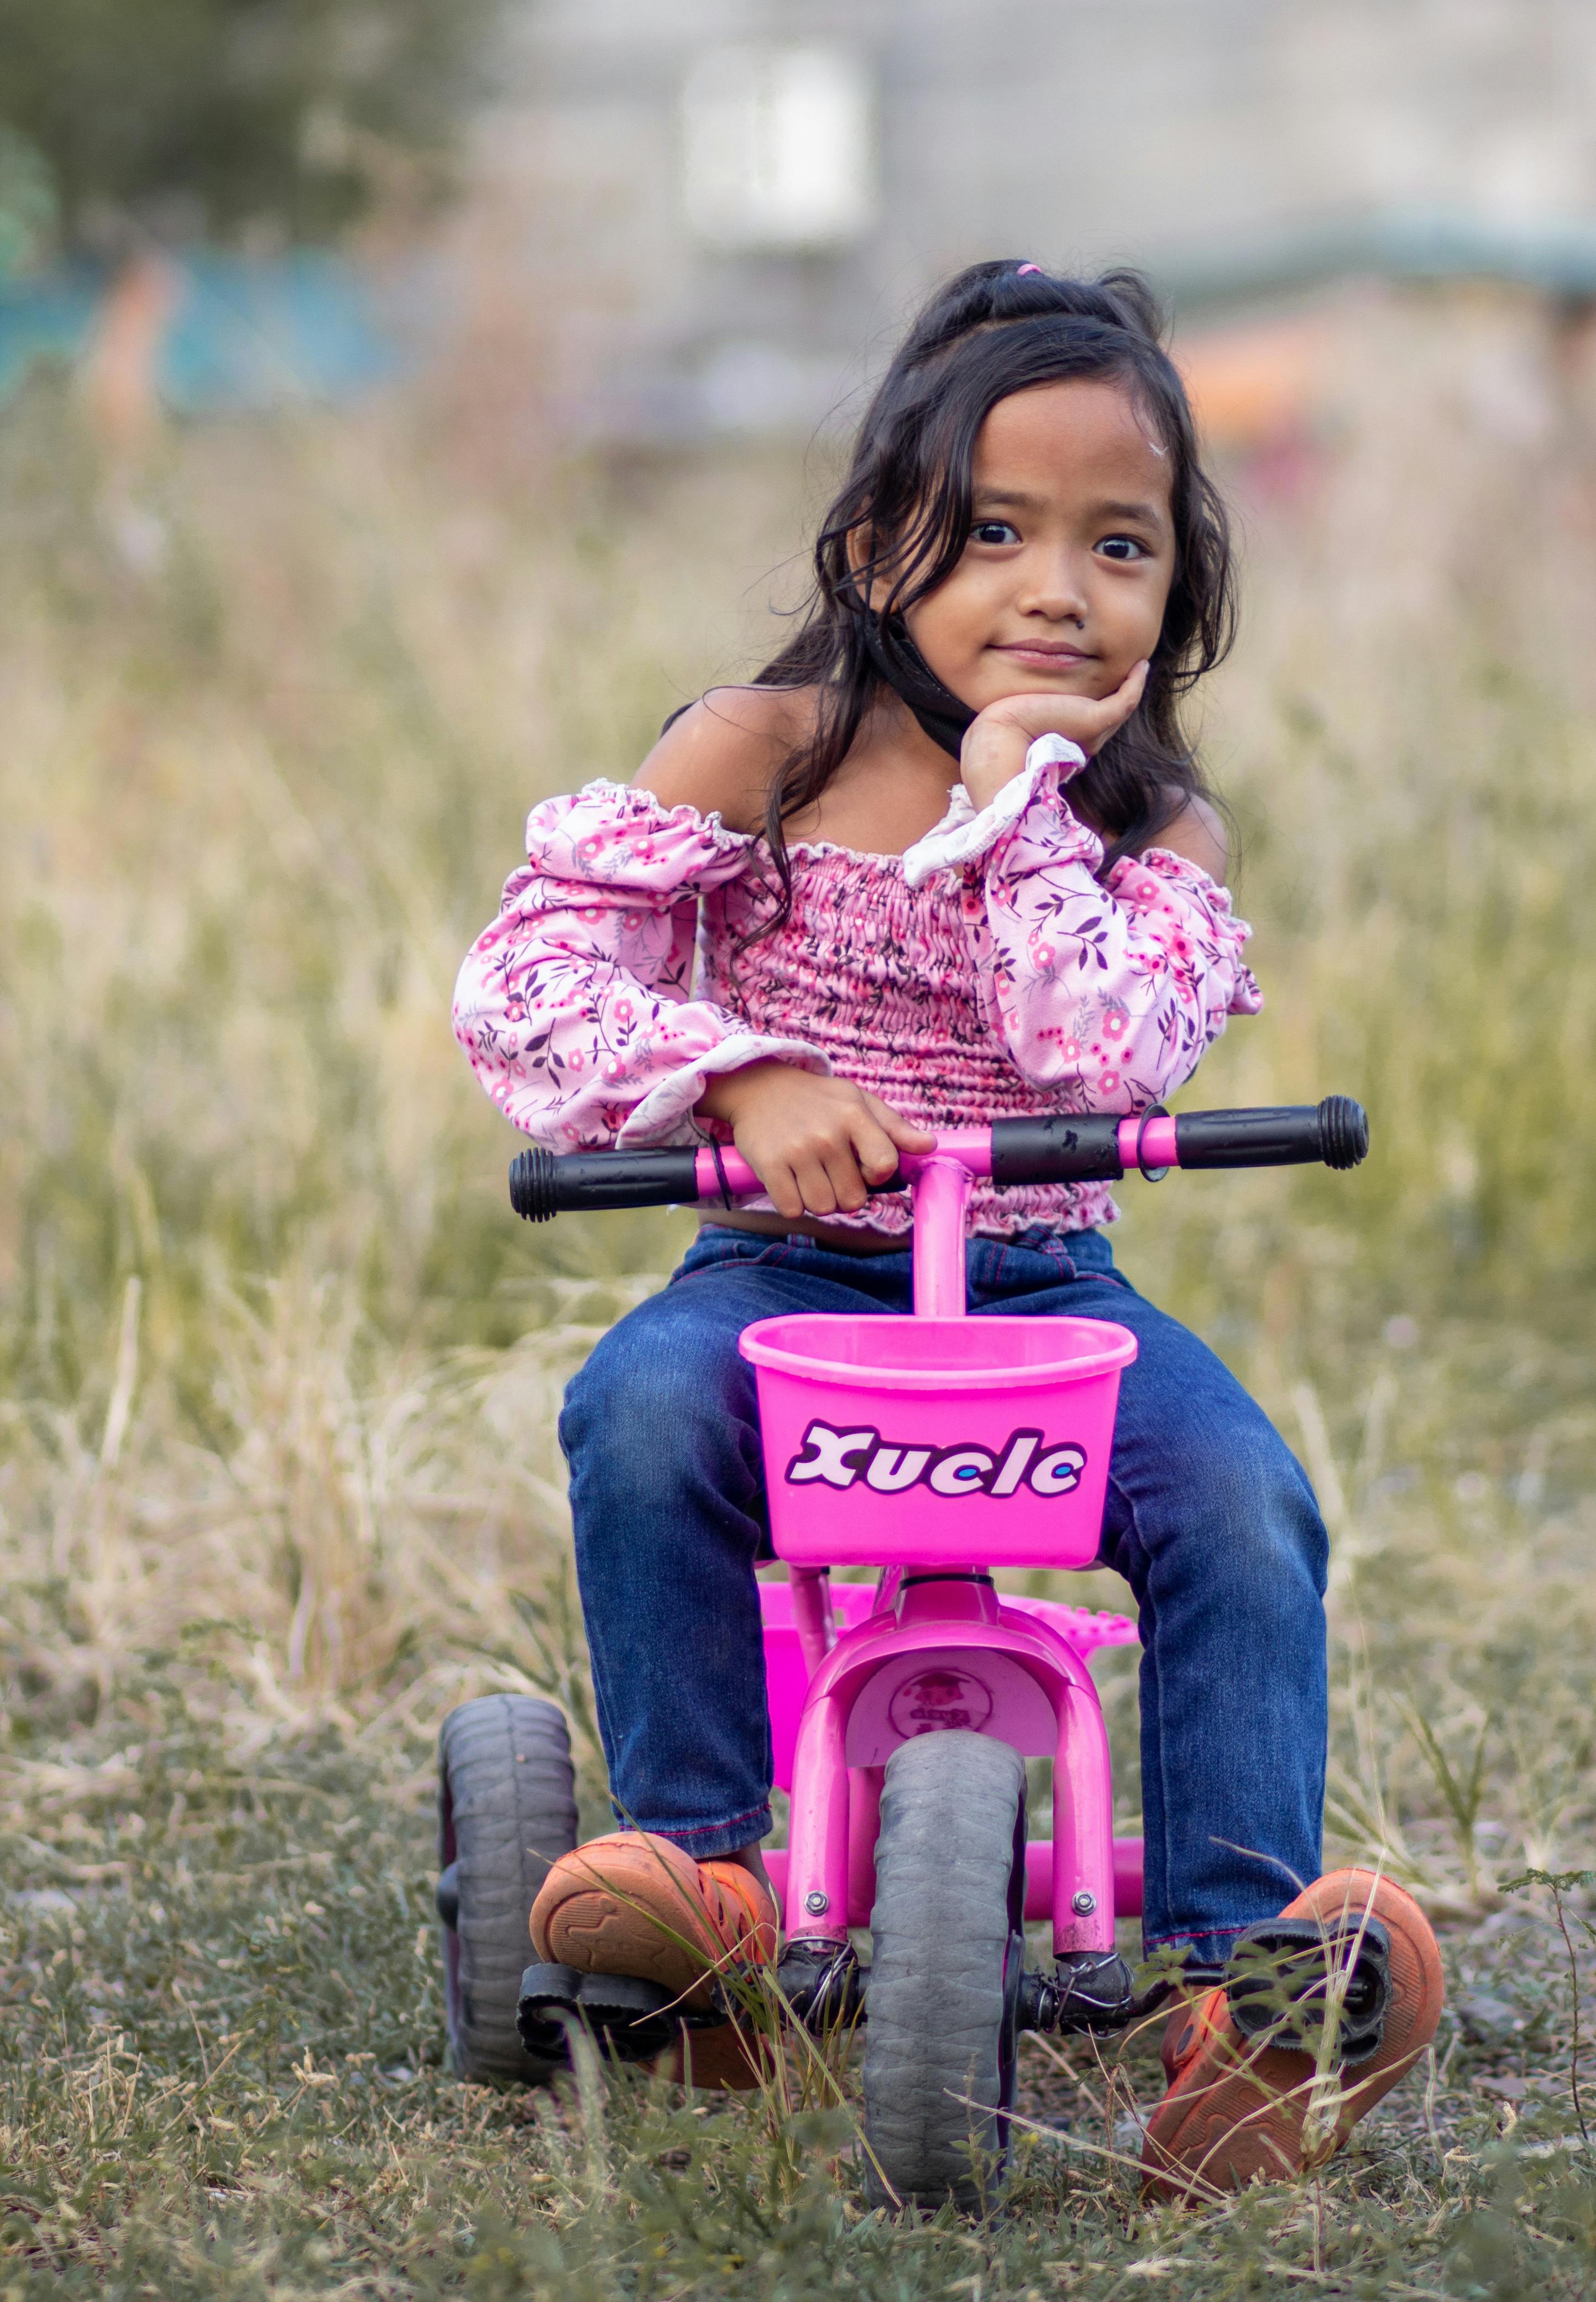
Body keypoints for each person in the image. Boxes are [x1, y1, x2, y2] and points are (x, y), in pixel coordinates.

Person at [452, 259, 1441, 2190]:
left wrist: (1015, 808)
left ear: (1182, 599)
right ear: (876, 542)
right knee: (638, 1419)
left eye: (1119, 546)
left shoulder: (1154, 837)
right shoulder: (768, 752)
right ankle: (708, 1888)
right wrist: (736, 1075)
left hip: (1045, 1295)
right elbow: (529, 984)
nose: (1055, 587)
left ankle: (1238, 1994)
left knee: (1243, 1505)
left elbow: (1100, 1062)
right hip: (777, 1279)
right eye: (994, 533)